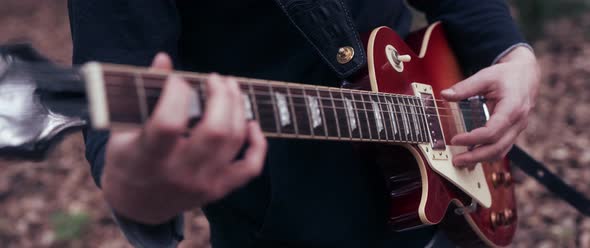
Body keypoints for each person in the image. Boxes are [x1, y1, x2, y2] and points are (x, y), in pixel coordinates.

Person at [68, 0, 540, 247]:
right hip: (287, 228)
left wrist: (510, 52)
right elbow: (118, 89)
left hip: (450, 191)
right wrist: (137, 191)